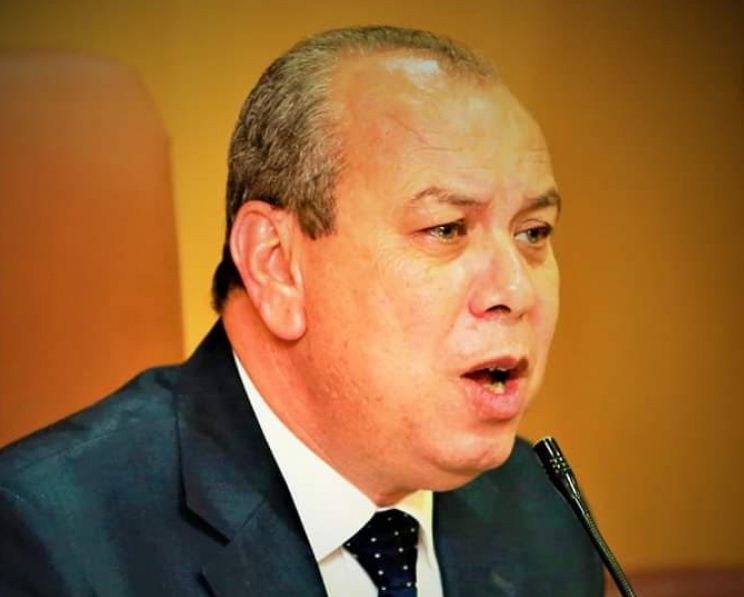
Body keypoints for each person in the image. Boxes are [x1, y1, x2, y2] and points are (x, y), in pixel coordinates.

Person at [0, 25, 603, 596]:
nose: (516, 290)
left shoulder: (541, 512)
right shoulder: (45, 542)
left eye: (533, 232)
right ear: (276, 265)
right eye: (446, 229)